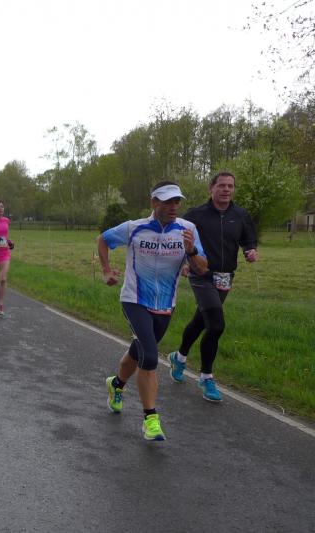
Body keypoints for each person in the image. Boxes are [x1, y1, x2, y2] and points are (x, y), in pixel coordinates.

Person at [97, 181, 208, 441]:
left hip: (165, 304)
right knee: (149, 356)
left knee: (139, 352)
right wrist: (106, 271)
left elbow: (202, 268)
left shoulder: (188, 230)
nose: (174, 207)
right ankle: (150, 419)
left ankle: (116, 384)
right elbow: (103, 239)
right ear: (154, 203)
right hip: (134, 299)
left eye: (177, 201)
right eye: (167, 201)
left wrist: (191, 251)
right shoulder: (134, 228)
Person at [168, 171, 259, 402]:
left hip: (225, 277)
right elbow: (177, 237)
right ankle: (206, 377)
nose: (226, 190)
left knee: (202, 321)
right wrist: (184, 262)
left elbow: (248, 238)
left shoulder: (240, 215)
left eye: (230, 186)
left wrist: (250, 250)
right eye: (222, 185)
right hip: (201, 274)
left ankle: (179, 357)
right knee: (216, 325)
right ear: (211, 188)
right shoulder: (195, 215)